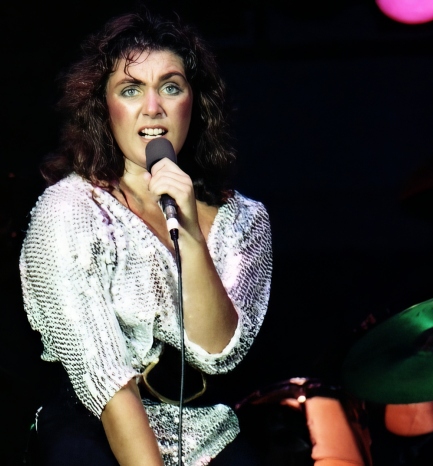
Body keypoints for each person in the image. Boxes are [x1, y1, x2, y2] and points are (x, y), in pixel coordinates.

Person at [19, 7, 273, 466]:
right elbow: (103, 378)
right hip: (97, 427)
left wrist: (191, 233)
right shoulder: (69, 209)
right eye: (131, 89)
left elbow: (217, 351)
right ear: (104, 107)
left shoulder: (244, 220)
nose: (153, 107)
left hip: (205, 431)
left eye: (170, 87)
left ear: (195, 103)